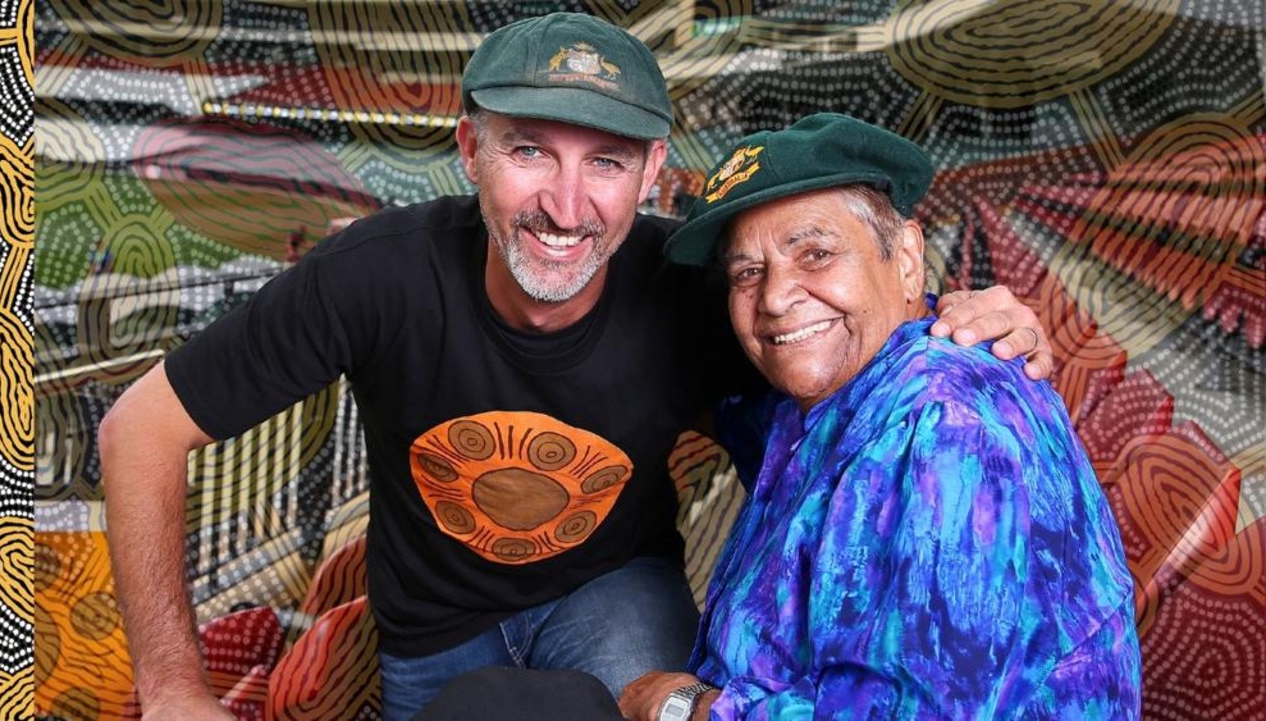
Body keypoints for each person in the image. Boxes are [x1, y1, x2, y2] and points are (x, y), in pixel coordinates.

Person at [97, 15, 1055, 721]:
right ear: (469, 148)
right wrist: (175, 684)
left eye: (606, 162)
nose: (565, 204)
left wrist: (960, 329)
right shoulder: (373, 276)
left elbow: (846, 379)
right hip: (435, 623)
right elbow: (137, 429)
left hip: (615, 593)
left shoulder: (705, 291)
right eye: (528, 150)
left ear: (652, 174)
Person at [614, 113, 1141, 718]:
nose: (777, 297)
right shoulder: (820, 399)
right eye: (748, 273)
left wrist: (685, 707)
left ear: (908, 259)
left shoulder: (946, 430)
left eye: (815, 253)